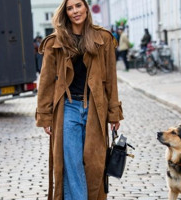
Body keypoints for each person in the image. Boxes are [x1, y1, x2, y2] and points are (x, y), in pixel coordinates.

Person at [35, 0, 124, 199]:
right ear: (65, 12)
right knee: (71, 164)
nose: (75, 11)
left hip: (95, 109)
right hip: (68, 108)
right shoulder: (55, 42)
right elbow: (46, 80)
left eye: (78, 5)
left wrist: (114, 112)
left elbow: (110, 79)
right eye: (70, 8)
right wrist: (45, 116)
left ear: (86, 7)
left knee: (94, 165)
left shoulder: (103, 39)